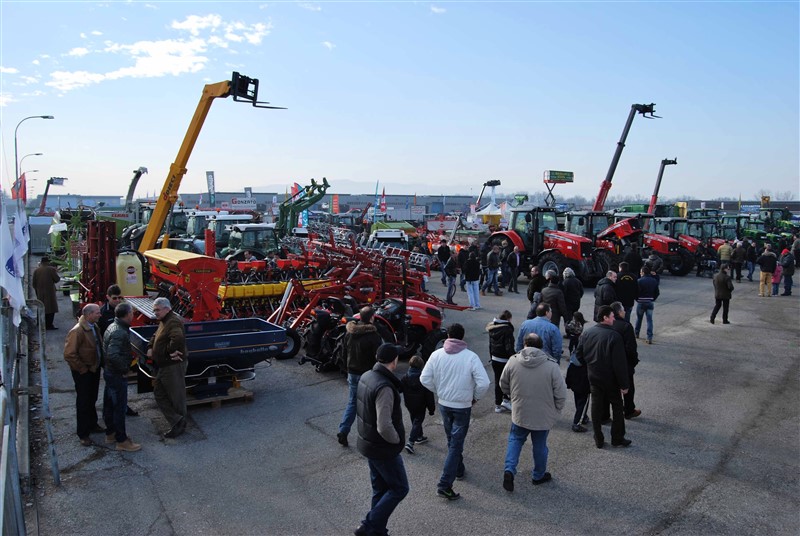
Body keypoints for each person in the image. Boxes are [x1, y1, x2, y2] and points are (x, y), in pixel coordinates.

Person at [420, 323, 490, 501]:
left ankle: (459, 469)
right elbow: (484, 383)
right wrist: (475, 397)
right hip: (462, 406)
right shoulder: (470, 357)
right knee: (455, 444)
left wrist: (438, 391)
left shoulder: (436, 355)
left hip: (444, 404)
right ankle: (444, 484)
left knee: (452, 440)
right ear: (462, 336)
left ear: (447, 336)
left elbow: (424, 378)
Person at [500, 332, 567, 491]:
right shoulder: (551, 365)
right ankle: (538, 475)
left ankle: (509, 470)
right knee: (540, 445)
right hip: (542, 415)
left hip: (520, 412)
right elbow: (561, 393)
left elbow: (503, 384)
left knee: (515, 440)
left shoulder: (513, 361)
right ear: (541, 346)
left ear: (524, 344)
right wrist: (557, 410)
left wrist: (512, 396)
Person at [354, 344, 409, 536]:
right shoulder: (385, 387)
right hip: (383, 448)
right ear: (393, 361)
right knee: (400, 488)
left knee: (380, 489)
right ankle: (368, 525)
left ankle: (376, 531)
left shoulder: (367, 376)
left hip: (368, 443)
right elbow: (384, 425)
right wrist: (396, 440)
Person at [576, 305, 631, 449]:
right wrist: (624, 385)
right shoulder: (614, 336)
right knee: (617, 406)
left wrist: (589, 365)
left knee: (596, 406)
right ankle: (617, 438)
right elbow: (619, 364)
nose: (614, 318)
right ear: (605, 317)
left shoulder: (587, 333)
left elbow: (579, 354)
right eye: (612, 316)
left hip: (593, 376)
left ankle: (598, 438)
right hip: (610, 379)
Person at [337, 306, 383, 447]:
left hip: (352, 372)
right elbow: (378, 358)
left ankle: (343, 430)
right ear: (371, 318)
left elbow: (344, 352)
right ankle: (373, 435)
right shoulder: (374, 336)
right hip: (367, 375)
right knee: (371, 405)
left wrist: (346, 368)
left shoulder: (350, 333)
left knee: (352, 403)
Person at [101, 302, 142, 452]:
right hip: (116, 374)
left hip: (110, 372)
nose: (133, 315)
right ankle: (121, 440)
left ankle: (110, 433)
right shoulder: (119, 332)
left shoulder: (113, 326)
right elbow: (112, 355)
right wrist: (125, 368)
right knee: (119, 407)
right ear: (128, 314)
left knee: (110, 404)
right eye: (132, 312)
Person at [64, 303, 105, 446]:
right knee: (83, 401)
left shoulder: (94, 326)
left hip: (93, 369)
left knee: (91, 398)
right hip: (85, 372)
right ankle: (83, 433)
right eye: (97, 313)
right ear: (88, 315)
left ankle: (92, 424)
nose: (100, 315)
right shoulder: (78, 331)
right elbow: (69, 354)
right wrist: (82, 369)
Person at [147, 297, 188, 439]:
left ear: (167, 308)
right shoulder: (164, 320)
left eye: (157, 310)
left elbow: (177, 339)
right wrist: (150, 346)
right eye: (154, 309)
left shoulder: (173, 321)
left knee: (176, 397)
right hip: (164, 365)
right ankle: (177, 420)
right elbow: (155, 334)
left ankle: (179, 425)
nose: (155, 312)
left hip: (172, 366)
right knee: (159, 393)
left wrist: (168, 352)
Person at [98, 284, 139, 418]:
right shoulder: (103, 314)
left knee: (115, 389)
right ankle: (116, 414)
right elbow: (104, 342)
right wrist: (123, 367)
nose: (117, 301)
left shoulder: (120, 312)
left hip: (115, 354)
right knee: (115, 388)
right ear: (107, 297)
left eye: (119, 298)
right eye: (114, 298)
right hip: (111, 358)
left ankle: (116, 409)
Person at [611, 301, 640, 419]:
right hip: (624, 364)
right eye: (623, 310)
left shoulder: (608, 324)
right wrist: (633, 362)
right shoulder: (626, 326)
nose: (624, 312)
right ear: (619, 312)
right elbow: (631, 348)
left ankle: (608, 412)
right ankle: (629, 409)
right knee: (628, 388)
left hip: (610, 363)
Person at [401, 355, 435, 454]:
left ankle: (419, 436)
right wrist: (431, 409)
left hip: (409, 404)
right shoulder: (423, 379)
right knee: (417, 421)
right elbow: (429, 395)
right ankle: (411, 442)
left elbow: (399, 388)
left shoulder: (405, 377)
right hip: (420, 404)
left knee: (414, 419)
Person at [486, 311, 515, 413]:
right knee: (507, 381)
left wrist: (491, 357)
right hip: (504, 360)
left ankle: (497, 405)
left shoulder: (492, 328)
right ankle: (506, 399)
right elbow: (508, 346)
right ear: (508, 319)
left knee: (497, 381)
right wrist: (514, 357)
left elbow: (490, 345)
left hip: (495, 358)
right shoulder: (507, 329)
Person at [32, 256, 60, 330]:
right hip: (50, 292)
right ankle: (49, 325)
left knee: (41, 307)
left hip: (40, 292)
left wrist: (37, 290)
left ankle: (40, 323)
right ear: (48, 262)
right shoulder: (51, 269)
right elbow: (57, 279)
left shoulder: (36, 270)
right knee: (51, 308)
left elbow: (33, 283)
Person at [634, 267, 660, 344]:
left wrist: (637, 299)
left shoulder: (639, 281)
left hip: (641, 302)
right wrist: (652, 299)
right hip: (650, 302)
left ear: (642, 273)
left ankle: (636, 333)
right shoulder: (654, 281)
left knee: (639, 319)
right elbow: (657, 292)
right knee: (649, 320)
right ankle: (649, 337)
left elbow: (635, 292)